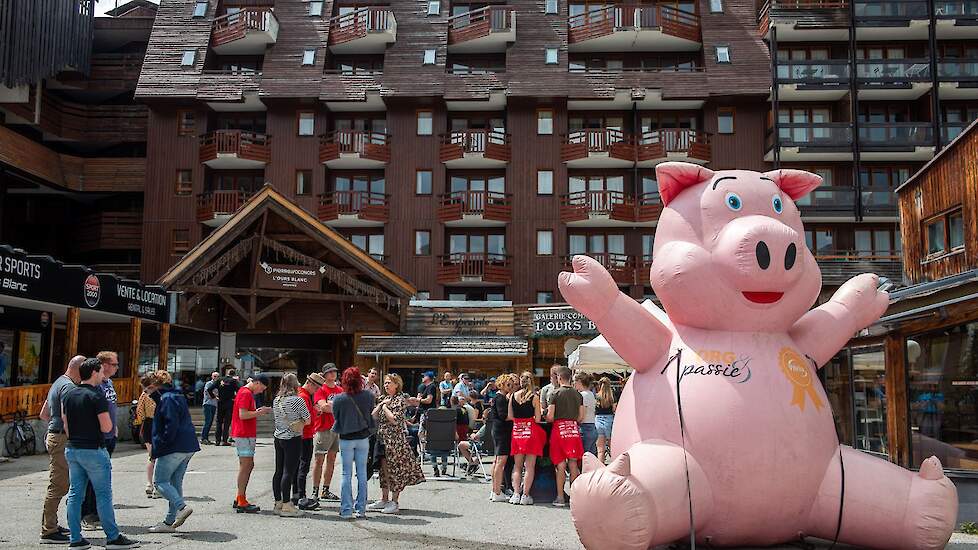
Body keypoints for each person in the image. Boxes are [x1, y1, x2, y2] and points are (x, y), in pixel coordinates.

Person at [63, 357, 139, 549]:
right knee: (103, 494)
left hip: (73, 448)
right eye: (101, 371)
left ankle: (75, 538)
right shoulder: (97, 396)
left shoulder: (69, 395)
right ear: (94, 372)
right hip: (94, 449)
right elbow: (106, 427)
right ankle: (113, 537)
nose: (103, 374)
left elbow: (66, 425)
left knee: (74, 494)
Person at [37, 354, 83, 544]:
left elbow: (43, 414)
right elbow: (68, 417)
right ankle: (48, 531)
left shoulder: (58, 382)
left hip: (55, 436)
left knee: (61, 483)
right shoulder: (69, 387)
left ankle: (52, 525)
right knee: (58, 485)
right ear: (80, 370)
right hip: (62, 438)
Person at [148, 371, 200, 533]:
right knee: (175, 484)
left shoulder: (167, 399)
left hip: (174, 446)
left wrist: (160, 446)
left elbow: (170, 425)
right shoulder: (177, 395)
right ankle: (169, 522)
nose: (145, 393)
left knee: (160, 483)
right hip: (188, 445)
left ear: (153, 386)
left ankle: (181, 507)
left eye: (146, 389)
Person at [366, 374, 425, 514]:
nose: (386, 385)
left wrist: (385, 408)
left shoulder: (400, 400)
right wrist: (381, 405)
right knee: (383, 470)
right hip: (382, 439)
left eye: (389, 383)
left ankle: (394, 502)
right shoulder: (383, 399)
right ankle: (384, 499)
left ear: (396, 385)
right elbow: (373, 416)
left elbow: (394, 420)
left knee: (395, 471)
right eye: (385, 383)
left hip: (395, 441)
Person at [80, 351, 119, 532]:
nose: (116, 367)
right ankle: (87, 515)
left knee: (103, 478)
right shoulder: (95, 386)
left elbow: (111, 408)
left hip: (110, 436)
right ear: (103, 365)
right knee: (91, 478)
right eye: (114, 364)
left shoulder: (109, 383)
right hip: (98, 438)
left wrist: (115, 427)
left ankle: (96, 513)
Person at [331, 367, 376, 519]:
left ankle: (346, 509)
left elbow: (336, 416)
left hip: (346, 438)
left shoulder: (338, 399)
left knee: (346, 474)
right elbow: (370, 411)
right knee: (362, 474)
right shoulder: (369, 396)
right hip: (363, 438)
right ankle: (361, 509)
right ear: (360, 380)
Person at [272, 373, 311, 518]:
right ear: (295, 385)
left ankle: (278, 502)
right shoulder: (297, 400)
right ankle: (287, 504)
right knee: (289, 471)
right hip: (292, 438)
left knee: (278, 471)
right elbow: (307, 420)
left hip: (278, 436)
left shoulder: (277, 400)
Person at [231, 374, 271, 513]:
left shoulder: (245, 392)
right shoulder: (246, 393)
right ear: (257, 382)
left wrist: (258, 411)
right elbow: (243, 415)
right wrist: (260, 412)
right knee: (246, 465)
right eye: (262, 388)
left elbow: (245, 413)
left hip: (245, 433)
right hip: (243, 433)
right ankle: (241, 499)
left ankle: (240, 497)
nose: (261, 391)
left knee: (248, 465)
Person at [547, 366, 585, 507]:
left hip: (559, 430)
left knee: (561, 465)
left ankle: (560, 497)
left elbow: (550, 416)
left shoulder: (555, 393)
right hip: (573, 430)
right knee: (573, 463)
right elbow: (581, 417)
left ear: (559, 377)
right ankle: (574, 498)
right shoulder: (578, 394)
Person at [509, 371, 546, 505]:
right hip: (531, 431)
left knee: (517, 466)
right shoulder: (534, 397)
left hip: (517, 432)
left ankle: (515, 493)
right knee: (530, 466)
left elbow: (511, 416)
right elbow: (538, 418)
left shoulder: (513, 395)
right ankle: (525, 495)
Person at [294, 372, 325, 510]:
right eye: (317, 388)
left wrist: (314, 412)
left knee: (300, 466)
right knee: (303, 467)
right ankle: (301, 496)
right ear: (311, 384)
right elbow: (303, 419)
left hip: (304, 434)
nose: (317, 391)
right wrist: (313, 414)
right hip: (304, 435)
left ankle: (297, 495)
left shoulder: (304, 395)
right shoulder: (303, 396)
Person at [312, 364, 343, 502]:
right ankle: (315, 491)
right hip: (323, 428)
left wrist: (331, 405)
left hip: (336, 428)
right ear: (324, 375)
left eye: (334, 371)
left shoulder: (340, 389)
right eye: (329, 372)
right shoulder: (321, 389)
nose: (332, 374)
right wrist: (335, 406)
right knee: (319, 460)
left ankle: (326, 489)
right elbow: (323, 407)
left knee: (332, 460)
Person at [488, 373, 515, 502]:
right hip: (502, 431)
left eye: (511, 384)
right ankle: (497, 491)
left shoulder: (499, 397)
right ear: (502, 384)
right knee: (501, 461)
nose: (510, 387)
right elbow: (504, 416)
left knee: (497, 460)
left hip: (498, 430)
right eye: (508, 384)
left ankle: (495, 490)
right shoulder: (500, 398)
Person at [134, 373, 160, 500]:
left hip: (148, 424)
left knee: (152, 456)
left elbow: (139, 410)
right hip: (157, 424)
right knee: (160, 457)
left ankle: (149, 484)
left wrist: (140, 422)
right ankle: (156, 485)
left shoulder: (144, 395)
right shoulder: (161, 395)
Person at [594, 376, 617, 464]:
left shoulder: (597, 396)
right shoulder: (612, 396)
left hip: (598, 421)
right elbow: (614, 409)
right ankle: (615, 467)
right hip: (609, 420)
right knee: (612, 447)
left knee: (600, 450)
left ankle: (601, 469)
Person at [574, 372, 598, 457]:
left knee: (584, 457)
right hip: (592, 426)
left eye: (575, 382)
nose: (574, 384)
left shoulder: (582, 395)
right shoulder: (590, 393)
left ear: (579, 382)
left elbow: (582, 415)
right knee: (591, 457)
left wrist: (575, 420)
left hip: (585, 427)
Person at [215, 366, 239, 446]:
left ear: (227, 373)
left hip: (220, 402)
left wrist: (214, 396)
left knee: (219, 421)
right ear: (234, 374)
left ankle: (217, 441)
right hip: (229, 403)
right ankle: (224, 440)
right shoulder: (233, 381)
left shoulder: (219, 380)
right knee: (227, 422)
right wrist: (235, 398)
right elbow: (239, 390)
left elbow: (209, 389)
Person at [200, 372, 220, 444]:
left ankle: (206, 438)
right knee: (208, 421)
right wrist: (215, 396)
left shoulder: (218, 385)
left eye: (217, 376)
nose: (216, 378)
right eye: (214, 376)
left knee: (210, 422)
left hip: (214, 404)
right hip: (208, 404)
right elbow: (207, 392)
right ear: (212, 376)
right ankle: (203, 438)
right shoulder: (209, 383)